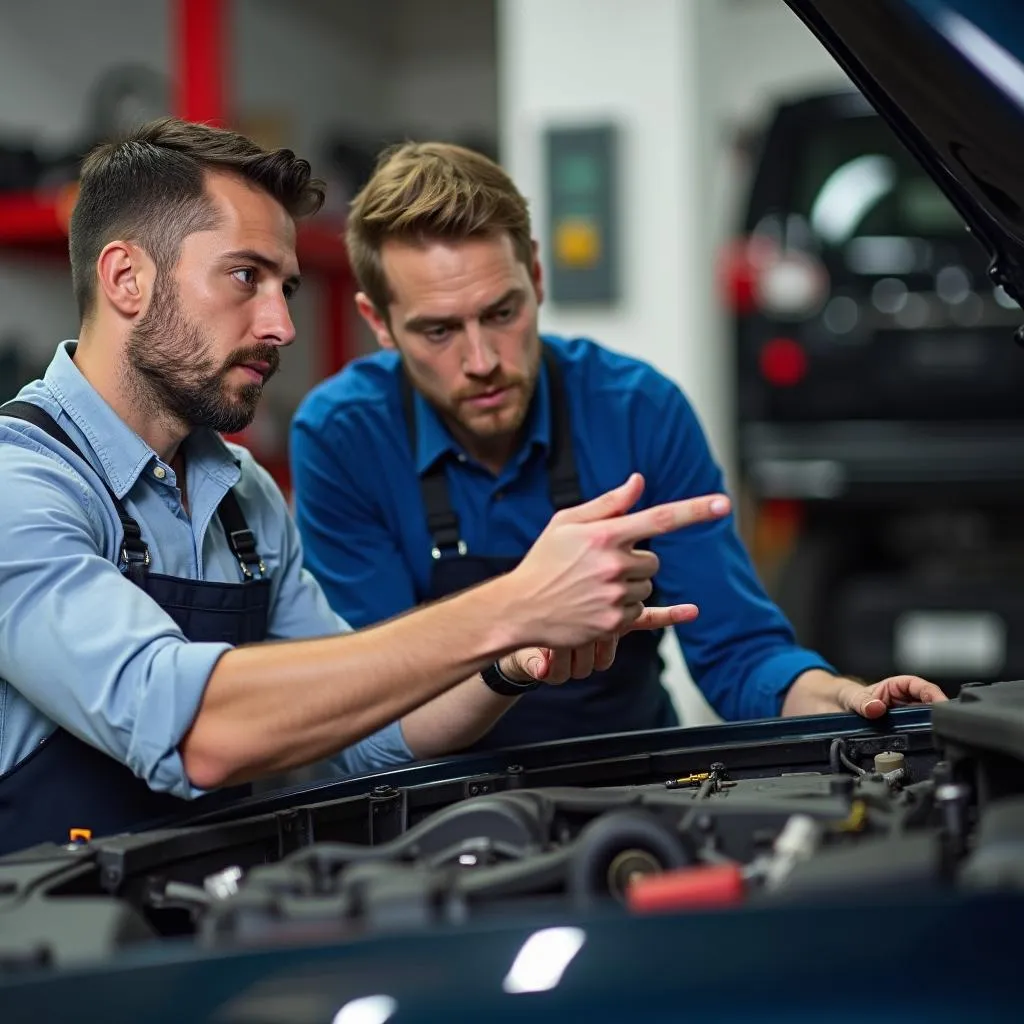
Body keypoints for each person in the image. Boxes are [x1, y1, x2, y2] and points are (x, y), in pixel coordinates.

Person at [0, 119, 732, 855]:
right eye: (245, 276)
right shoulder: (20, 486)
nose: (282, 324)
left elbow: (373, 734)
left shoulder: (244, 498)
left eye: (284, 287)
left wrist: (510, 662)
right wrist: (515, 604)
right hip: (58, 946)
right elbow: (195, 729)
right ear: (127, 278)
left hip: (211, 912)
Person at [289, 141, 946, 751]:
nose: (483, 360)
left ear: (538, 279)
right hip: (434, 799)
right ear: (378, 322)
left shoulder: (638, 409)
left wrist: (847, 699)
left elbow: (739, 656)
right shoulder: (342, 437)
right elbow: (375, 714)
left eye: (501, 313)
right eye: (438, 331)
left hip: (631, 777)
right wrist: (517, 652)